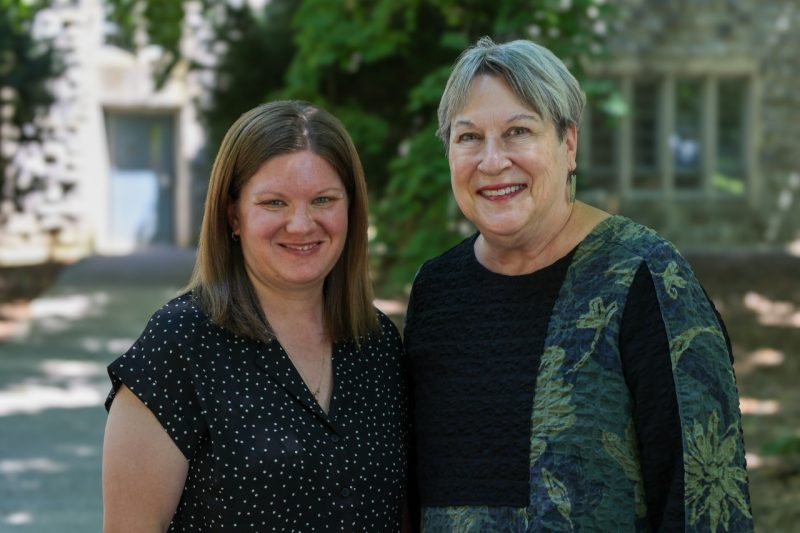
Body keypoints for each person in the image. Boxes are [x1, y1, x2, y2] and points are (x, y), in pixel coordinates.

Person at [404, 37, 753, 532]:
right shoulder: (435, 290)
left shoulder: (644, 276)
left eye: (518, 131)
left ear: (569, 144)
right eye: (468, 137)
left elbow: (703, 501)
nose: (492, 161)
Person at [102, 100, 411, 532]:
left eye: (323, 199)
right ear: (234, 216)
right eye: (274, 203)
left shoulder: (377, 345)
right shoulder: (179, 344)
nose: (301, 224)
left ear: (351, 210)